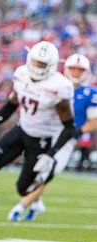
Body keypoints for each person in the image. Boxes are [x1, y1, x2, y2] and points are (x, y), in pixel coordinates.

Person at [0, 41, 75, 231]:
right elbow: (12, 104)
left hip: (43, 139)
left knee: (22, 189)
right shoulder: (21, 74)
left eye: (42, 64)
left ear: (52, 66)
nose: (37, 67)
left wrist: (50, 154)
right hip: (22, 129)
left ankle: (39, 192)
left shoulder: (60, 86)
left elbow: (69, 128)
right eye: (35, 62)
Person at [7, 53, 97, 221]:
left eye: (80, 69)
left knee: (47, 171)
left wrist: (77, 132)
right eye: (73, 68)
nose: (76, 72)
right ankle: (36, 203)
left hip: (65, 140)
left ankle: (22, 205)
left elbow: (94, 121)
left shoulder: (89, 93)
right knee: (32, 171)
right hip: (43, 134)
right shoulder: (55, 85)